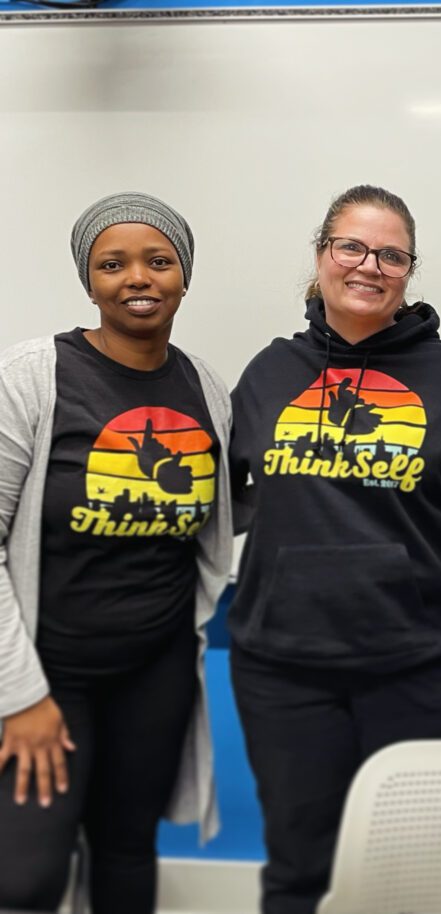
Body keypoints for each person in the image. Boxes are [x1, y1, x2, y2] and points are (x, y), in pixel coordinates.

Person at [228, 184, 441, 914]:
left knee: (405, 877)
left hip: (425, 669)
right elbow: (219, 507)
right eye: (352, 247)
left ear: (409, 270)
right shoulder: (269, 374)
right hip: (285, 671)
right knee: (298, 869)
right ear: (323, 255)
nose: (370, 266)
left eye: (391, 254)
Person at [0, 192, 232, 913]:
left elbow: (220, 513)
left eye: (158, 261)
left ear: (183, 276)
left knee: (127, 852)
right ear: (89, 280)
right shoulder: (33, 376)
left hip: (153, 672)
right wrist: (20, 697)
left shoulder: (206, 389)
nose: (138, 278)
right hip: (48, 677)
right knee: (25, 878)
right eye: (114, 264)